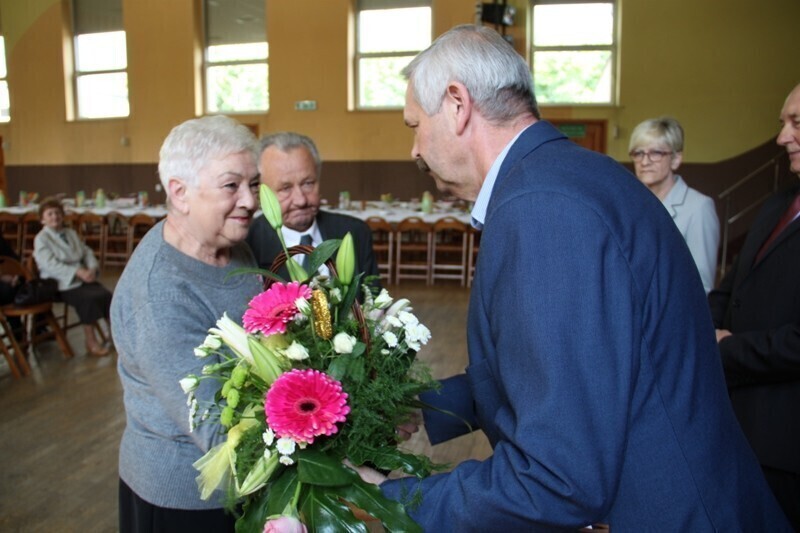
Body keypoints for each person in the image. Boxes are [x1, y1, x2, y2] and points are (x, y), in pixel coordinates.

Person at [362, 25, 791, 530]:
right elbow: (566, 367)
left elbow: (558, 477)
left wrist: (390, 498)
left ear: (457, 104)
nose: (414, 149)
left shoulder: (541, 208)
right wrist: (420, 406)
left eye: (415, 124)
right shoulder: (570, 173)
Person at [112, 115, 263, 532]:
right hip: (186, 498)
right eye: (232, 185)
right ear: (180, 193)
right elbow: (216, 431)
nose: (250, 200)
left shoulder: (233, 247)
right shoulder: (161, 293)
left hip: (246, 481)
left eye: (254, 183)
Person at [708, 83, 800, 529]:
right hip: (736, 427)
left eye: (796, 123)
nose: (782, 137)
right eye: (783, 123)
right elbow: (730, 289)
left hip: (787, 445)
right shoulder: (779, 202)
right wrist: (695, 331)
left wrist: (726, 348)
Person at [245, 132, 378, 281]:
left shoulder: (356, 233)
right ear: (262, 192)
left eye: (308, 183)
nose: (301, 200)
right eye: (285, 188)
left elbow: (373, 298)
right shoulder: (247, 245)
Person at [629, 117, 720, 293]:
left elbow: (702, 285)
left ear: (676, 159)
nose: (645, 161)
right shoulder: (633, 206)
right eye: (638, 153)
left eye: (655, 153)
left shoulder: (699, 207)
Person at [33, 198, 113, 357]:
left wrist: (91, 268)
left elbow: (86, 251)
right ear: (43, 219)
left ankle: (116, 336)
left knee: (107, 295)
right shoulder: (41, 239)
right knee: (87, 299)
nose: (55, 217)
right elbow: (51, 265)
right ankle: (91, 341)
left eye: (57, 213)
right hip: (59, 282)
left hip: (81, 277)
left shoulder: (70, 233)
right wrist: (77, 272)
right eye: (50, 214)